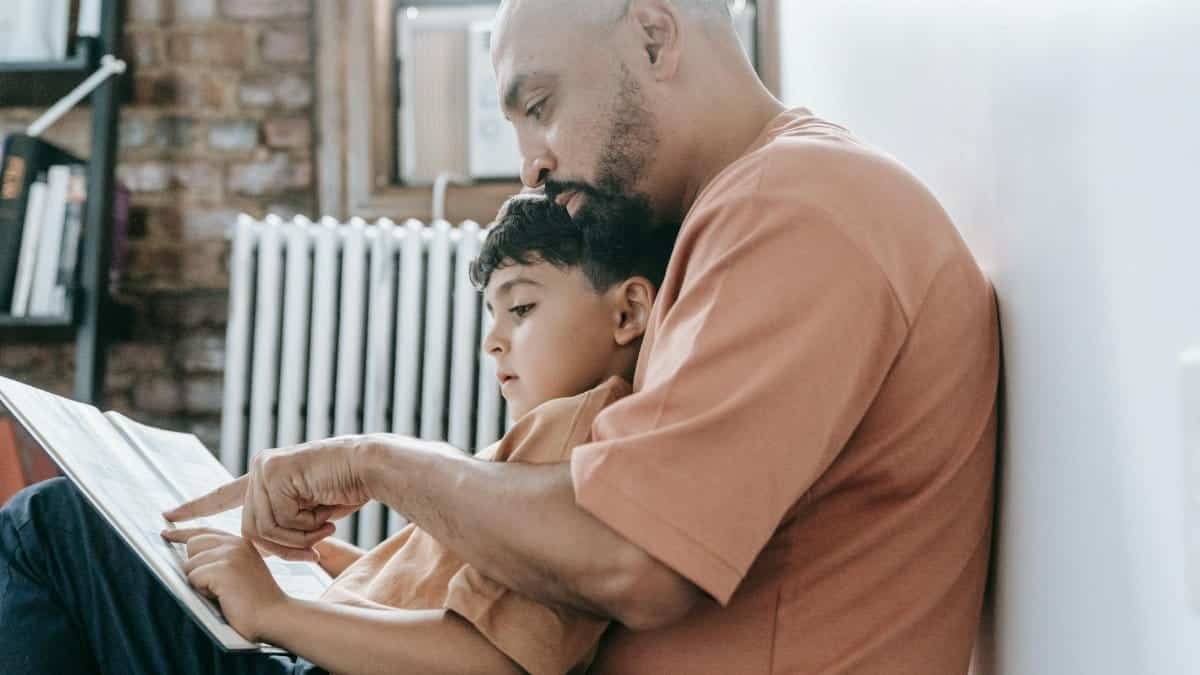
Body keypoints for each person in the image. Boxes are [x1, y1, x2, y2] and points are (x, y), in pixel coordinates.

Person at [4, 0, 1002, 672]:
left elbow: (628, 560)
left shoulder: (802, 208)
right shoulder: (734, 222)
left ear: (653, 37)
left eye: (540, 104)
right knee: (131, 543)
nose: (528, 165)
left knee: (49, 533)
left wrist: (372, 464)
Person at [0, 192, 672, 675]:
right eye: (491, 316)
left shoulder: (579, 433)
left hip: (310, 659)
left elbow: (491, 658)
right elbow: (449, 594)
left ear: (628, 310)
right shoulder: (553, 443)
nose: (493, 342)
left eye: (521, 307)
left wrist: (274, 611)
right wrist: (333, 565)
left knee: (46, 526)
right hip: (315, 639)